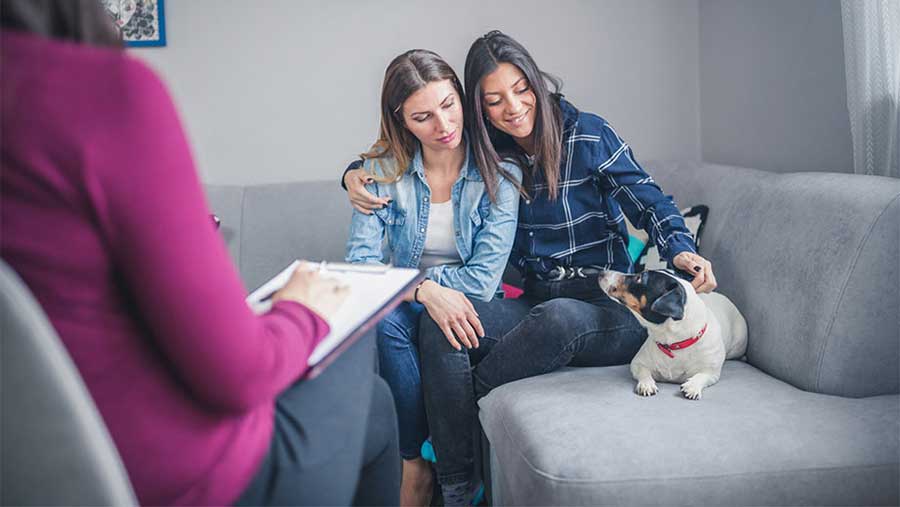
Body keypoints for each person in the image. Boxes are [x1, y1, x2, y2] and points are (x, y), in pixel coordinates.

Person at [0, 1, 399, 505]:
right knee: (354, 330)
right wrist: (303, 309)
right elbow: (239, 375)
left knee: (377, 406)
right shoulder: (102, 94)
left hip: (33, 475)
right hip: (178, 476)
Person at [344, 30, 719, 505]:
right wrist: (353, 175)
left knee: (560, 317)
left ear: (538, 84)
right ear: (479, 107)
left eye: (522, 90)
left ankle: (441, 427)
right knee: (447, 322)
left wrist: (681, 249)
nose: (514, 108)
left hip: (609, 305)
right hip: (538, 303)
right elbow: (402, 167)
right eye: (495, 100)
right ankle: (460, 487)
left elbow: (648, 202)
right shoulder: (492, 152)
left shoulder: (588, 135)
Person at [344, 49, 521, 506]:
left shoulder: (500, 175)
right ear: (401, 121)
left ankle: (433, 471)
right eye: (422, 117)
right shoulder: (379, 174)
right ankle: (417, 463)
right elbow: (362, 263)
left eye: (449, 105)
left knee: (424, 320)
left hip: (475, 305)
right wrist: (422, 289)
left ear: (462, 98)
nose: (443, 124)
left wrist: (426, 286)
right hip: (405, 304)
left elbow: (482, 281)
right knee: (385, 321)